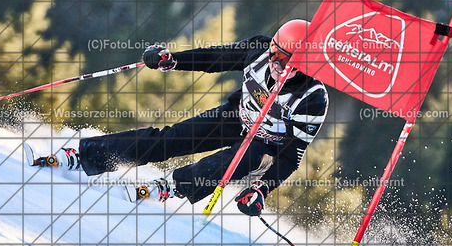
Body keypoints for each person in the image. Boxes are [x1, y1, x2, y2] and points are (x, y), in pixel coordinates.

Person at [39, 20, 329, 216]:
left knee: (244, 156)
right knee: (172, 138)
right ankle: (85, 155)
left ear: (305, 64)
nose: (276, 62)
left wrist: (261, 190)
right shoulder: (258, 50)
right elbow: (215, 58)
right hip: (236, 117)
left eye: (286, 60)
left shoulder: (312, 98)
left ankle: (173, 186)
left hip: (267, 145)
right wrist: (173, 60)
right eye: (275, 51)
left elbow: (289, 157)